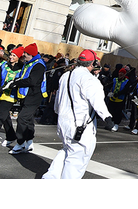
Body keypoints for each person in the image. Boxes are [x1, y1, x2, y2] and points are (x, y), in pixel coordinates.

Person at [41, 50, 114, 179]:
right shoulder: (90, 79)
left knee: (66, 150)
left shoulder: (66, 76)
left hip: (64, 122)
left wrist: (58, 112)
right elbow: (97, 101)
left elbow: (59, 98)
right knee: (77, 159)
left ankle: (50, 178)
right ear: (92, 63)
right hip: (80, 125)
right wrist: (107, 118)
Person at [9, 43, 47, 154]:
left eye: (26, 53)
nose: (24, 55)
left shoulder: (38, 65)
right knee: (29, 119)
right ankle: (29, 141)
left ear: (31, 54)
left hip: (34, 95)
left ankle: (20, 143)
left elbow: (32, 81)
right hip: (26, 95)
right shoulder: (29, 63)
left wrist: (17, 83)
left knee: (22, 118)